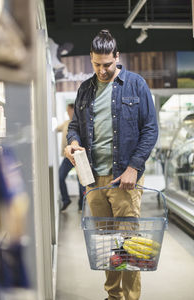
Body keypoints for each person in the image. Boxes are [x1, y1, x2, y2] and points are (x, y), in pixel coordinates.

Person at [65, 29, 158, 300]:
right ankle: (113, 296)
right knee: (107, 245)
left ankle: (130, 298)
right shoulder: (85, 89)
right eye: (96, 64)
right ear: (91, 59)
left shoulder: (136, 84)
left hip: (125, 179)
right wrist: (72, 142)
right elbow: (74, 127)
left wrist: (134, 168)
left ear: (117, 57)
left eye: (107, 64)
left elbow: (150, 130)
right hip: (93, 179)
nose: (102, 70)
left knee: (129, 244)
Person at [57, 103, 84, 212]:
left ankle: (81, 204)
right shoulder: (65, 123)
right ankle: (66, 200)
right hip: (67, 156)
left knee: (81, 181)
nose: (68, 112)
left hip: (79, 156)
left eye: (69, 110)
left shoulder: (80, 123)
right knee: (60, 176)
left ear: (74, 110)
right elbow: (55, 128)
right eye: (67, 110)